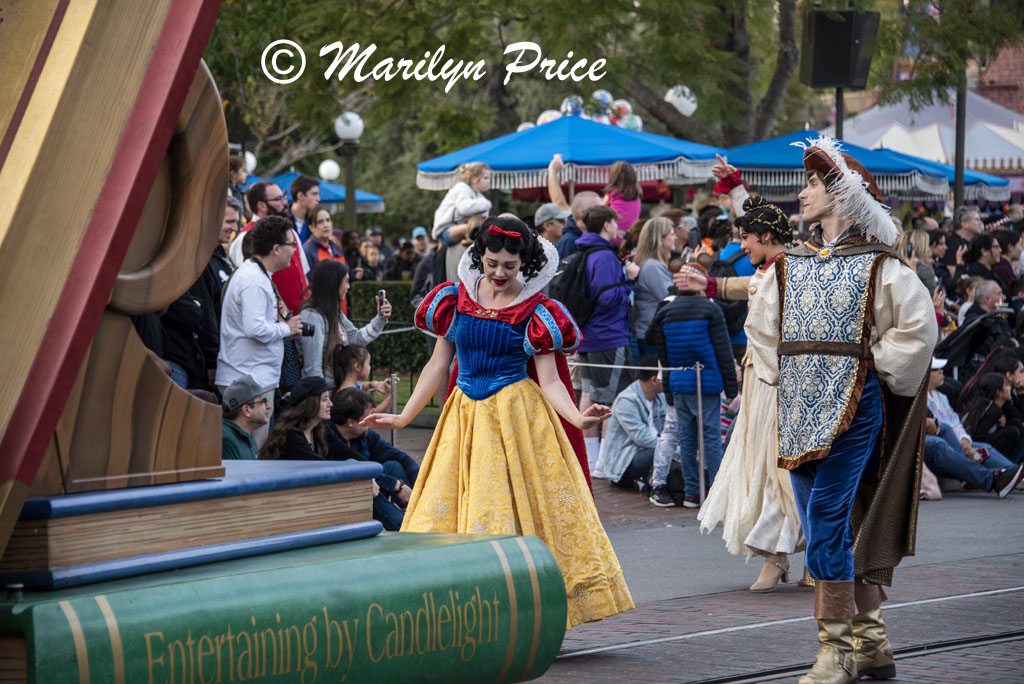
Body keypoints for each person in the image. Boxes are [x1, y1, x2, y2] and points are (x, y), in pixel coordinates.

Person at [361, 216, 633, 629]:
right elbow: (437, 364)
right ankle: (459, 611)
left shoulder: (538, 310)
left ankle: (522, 616)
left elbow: (551, 381)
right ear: (479, 257)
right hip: (465, 418)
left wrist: (578, 417)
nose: (499, 273)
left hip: (518, 419)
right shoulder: (456, 299)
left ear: (525, 262)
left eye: (510, 265)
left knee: (517, 514)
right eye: (491, 264)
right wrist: (404, 415)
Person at [746, 136, 937, 683]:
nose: (803, 193)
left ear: (842, 195)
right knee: (827, 525)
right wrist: (792, 376)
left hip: (855, 410)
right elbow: (762, 329)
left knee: (827, 522)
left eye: (813, 183)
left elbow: (918, 329)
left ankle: (837, 652)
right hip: (798, 411)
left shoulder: (880, 266)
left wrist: (867, 367)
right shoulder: (791, 265)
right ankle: (871, 640)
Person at [694, 196, 806, 593]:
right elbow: (751, 287)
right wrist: (710, 285)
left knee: (778, 467)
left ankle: (780, 554)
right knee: (760, 462)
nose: (742, 246)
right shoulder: (771, 268)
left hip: (781, 382)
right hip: (760, 381)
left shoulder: (795, 269)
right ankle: (788, 554)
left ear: (768, 236)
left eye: (747, 238)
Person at [646, 262, 738, 508]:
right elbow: (723, 350)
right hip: (707, 382)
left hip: (679, 382)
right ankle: (716, 492)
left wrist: (669, 390)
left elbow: (661, 353)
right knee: (711, 437)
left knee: (686, 439)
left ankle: (692, 493)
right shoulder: (711, 309)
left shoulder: (666, 311)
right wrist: (731, 388)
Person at [216, 216, 305, 445]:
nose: (294, 251)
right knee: (249, 452)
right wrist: (286, 328)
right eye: (291, 245)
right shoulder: (254, 280)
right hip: (248, 380)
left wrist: (284, 328)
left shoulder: (257, 275)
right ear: (276, 249)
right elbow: (254, 329)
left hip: (252, 378)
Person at [575, 205, 641, 474]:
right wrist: (630, 280)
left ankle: (590, 458)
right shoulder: (603, 256)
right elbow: (607, 297)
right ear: (606, 225)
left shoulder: (584, 250)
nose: (617, 227)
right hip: (608, 336)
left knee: (590, 394)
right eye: (614, 222)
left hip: (589, 336)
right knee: (611, 399)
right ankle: (602, 461)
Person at [327, 387, 417, 524]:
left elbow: (399, 456)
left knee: (393, 465)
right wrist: (396, 485)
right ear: (351, 422)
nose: (371, 422)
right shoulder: (327, 436)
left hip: (371, 484)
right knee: (367, 485)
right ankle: (405, 525)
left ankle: (416, 511)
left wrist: (420, 486)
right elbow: (358, 472)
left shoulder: (364, 435)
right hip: (344, 497)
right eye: (367, 418)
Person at [298, 261, 391, 386]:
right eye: (346, 281)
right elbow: (312, 369)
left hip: (336, 391)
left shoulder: (333, 311)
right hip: (324, 394)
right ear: (334, 283)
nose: (348, 287)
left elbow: (356, 339)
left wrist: (380, 319)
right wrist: (322, 395)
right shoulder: (311, 316)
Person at [600, 357, 666, 490]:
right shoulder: (627, 400)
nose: (670, 382)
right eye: (666, 378)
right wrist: (675, 450)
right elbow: (642, 438)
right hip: (623, 463)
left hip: (645, 451)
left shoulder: (660, 397)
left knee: (668, 451)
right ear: (654, 380)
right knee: (662, 452)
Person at [632, 217, 677, 357]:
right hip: (653, 334)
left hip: (651, 331)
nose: (675, 238)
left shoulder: (652, 264)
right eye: (671, 234)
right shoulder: (653, 267)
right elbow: (669, 299)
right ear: (660, 239)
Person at [546, 154, 602, 259]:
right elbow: (559, 202)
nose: (602, 214)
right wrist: (552, 170)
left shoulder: (586, 235)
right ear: (582, 213)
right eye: (598, 210)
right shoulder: (569, 242)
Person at [221, 374, 273, 460]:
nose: (268, 406)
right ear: (247, 410)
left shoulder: (247, 436)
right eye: (263, 401)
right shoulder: (227, 440)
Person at [333, 344, 394, 413]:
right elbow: (373, 413)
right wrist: (391, 396)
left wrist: (372, 384)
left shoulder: (347, 386)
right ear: (357, 366)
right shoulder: (352, 396)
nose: (370, 367)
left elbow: (361, 385)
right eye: (368, 363)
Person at [602, 160, 642, 247]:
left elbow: (599, 210)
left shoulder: (612, 193)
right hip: (629, 238)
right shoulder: (636, 196)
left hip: (613, 236)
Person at [302, 205, 347, 275]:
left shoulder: (334, 246)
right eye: (320, 222)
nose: (326, 225)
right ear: (311, 228)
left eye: (328, 220)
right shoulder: (307, 250)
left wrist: (352, 274)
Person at [289, 175, 320, 243]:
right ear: (300, 196)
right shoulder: (281, 221)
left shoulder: (315, 220)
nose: (318, 199)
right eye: (314, 194)